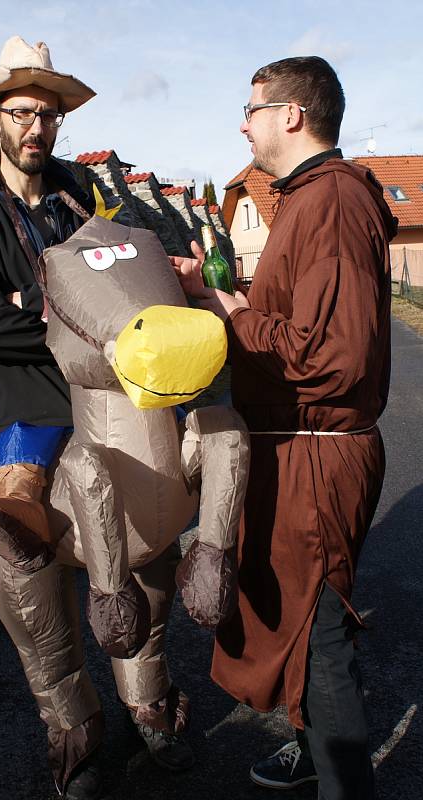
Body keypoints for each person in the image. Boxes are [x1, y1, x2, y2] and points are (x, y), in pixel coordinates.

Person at [0, 36, 193, 800]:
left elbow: (133, 280)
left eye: (47, 115)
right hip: (25, 403)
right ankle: (70, 721)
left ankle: (146, 697)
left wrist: (48, 307)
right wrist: (77, 318)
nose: (36, 129)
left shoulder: (86, 195)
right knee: (19, 551)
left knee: (145, 539)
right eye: (20, 113)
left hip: (111, 396)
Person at [172, 56, 397, 800]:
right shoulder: (303, 198)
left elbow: (333, 357)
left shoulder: (330, 198)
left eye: (253, 108)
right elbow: (301, 322)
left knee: (317, 629)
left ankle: (344, 786)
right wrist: (218, 293)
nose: (243, 122)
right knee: (293, 620)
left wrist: (235, 315)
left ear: (292, 115)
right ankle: (310, 753)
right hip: (291, 449)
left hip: (316, 453)